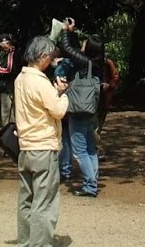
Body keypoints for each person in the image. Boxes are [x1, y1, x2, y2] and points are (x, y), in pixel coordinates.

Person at [14, 34, 70, 247]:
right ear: (43, 56)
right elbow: (57, 110)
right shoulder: (39, 81)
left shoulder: (20, 79)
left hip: (25, 147)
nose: (51, 60)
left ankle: (25, 242)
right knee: (44, 202)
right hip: (44, 147)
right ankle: (39, 244)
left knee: (26, 200)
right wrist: (63, 94)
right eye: (50, 56)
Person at [57, 30, 102, 197]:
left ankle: (90, 186)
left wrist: (67, 31)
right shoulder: (97, 65)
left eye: (84, 43)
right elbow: (72, 50)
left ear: (89, 48)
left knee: (80, 151)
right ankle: (93, 181)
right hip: (91, 110)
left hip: (78, 111)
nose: (81, 45)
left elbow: (67, 48)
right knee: (90, 149)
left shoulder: (85, 63)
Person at [0, 33, 19, 126]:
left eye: (2, 45)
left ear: (6, 43)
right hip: (9, 87)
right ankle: (9, 135)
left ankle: (8, 136)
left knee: (7, 114)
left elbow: (9, 69)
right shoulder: (9, 54)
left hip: (8, 88)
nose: (2, 48)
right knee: (10, 114)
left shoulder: (12, 53)